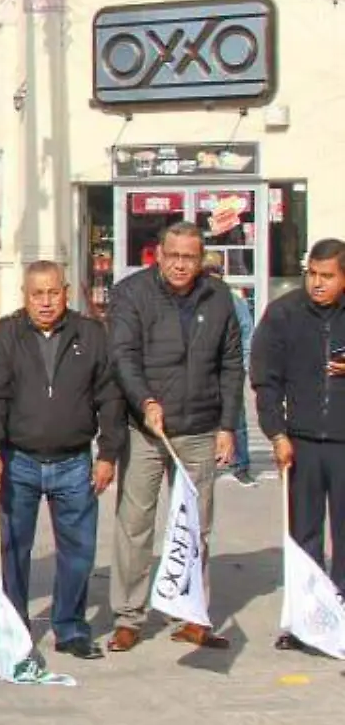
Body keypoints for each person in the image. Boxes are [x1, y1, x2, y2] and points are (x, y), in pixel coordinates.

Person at [106, 220, 243, 652]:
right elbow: (123, 356)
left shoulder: (220, 297)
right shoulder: (132, 294)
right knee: (135, 524)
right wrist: (146, 401)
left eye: (190, 257)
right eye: (174, 256)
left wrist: (227, 427)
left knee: (194, 525)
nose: (182, 265)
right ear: (159, 256)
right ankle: (129, 616)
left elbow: (231, 364)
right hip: (146, 430)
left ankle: (191, 614)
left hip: (200, 428)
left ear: (201, 259)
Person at [0, 261, 125, 661]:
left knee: (78, 552)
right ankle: (13, 629)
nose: (45, 302)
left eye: (53, 292)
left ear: (66, 292)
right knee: (11, 549)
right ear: (24, 296)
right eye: (36, 294)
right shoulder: (6, 333)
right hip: (17, 461)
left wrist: (108, 453)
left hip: (75, 462)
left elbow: (109, 397)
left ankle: (70, 627)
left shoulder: (91, 333)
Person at [251, 239, 345, 652]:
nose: (318, 284)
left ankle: (339, 614)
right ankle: (305, 619)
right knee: (304, 534)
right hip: (301, 443)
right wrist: (277, 433)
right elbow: (265, 378)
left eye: (328, 276)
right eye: (313, 274)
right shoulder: (284, 314)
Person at [203, 256, 257, 485]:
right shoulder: (196, 301)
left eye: (215, 272)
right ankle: (205, 465)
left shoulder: (235, 302)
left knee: (237, 418)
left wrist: (242, 365)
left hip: (229, 368)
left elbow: (247, 334)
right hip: (203, 369)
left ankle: (241, 464)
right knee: (202, 419)